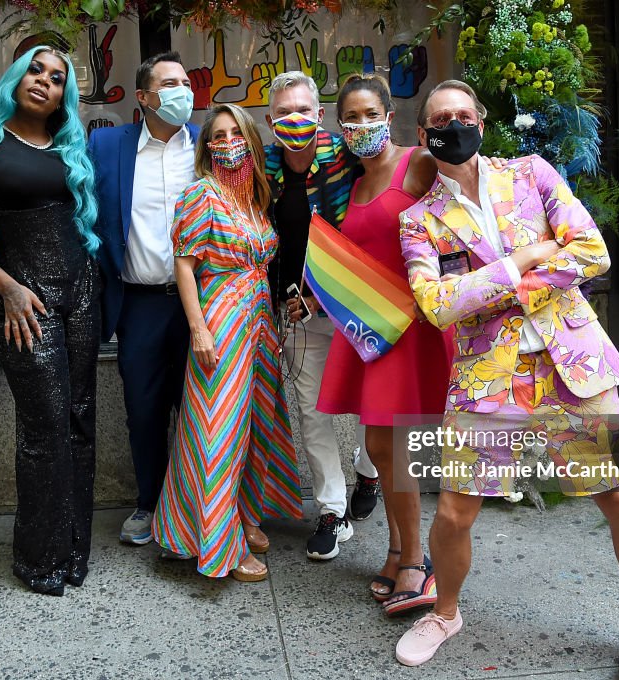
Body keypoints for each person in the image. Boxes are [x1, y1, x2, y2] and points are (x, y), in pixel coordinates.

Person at [393, 80, 619, 680]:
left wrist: (501, 290)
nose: (454, 125)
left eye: (463, 114)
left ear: (481, 119)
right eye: (441, 119)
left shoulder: (531, 174)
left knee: (618, 497)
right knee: (453, 510)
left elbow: (592, 251)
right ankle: (445, 613)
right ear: (424, 134)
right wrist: (521, 260)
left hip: (569, 365)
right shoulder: (418, 222)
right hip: (486, 379)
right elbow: (436, 305)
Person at [0, 46, 100, 596]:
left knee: (77, 418)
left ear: (63, 96)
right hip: (21, 302)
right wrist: (5, 286)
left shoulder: (69, 148)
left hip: (80, 293)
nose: (44, 82)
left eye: (57, 79)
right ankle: (39, 558)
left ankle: (74, 549)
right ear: (15, 77)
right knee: (45, 425)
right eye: (36, 70)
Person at [314, 74, 451, 614]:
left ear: (389, 116)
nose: (362, 125)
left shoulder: (416, 162)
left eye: (371, 114)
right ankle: (398, 551)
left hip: (410, 327)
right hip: (370, 328)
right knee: (376, 448)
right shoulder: (351, 181)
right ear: (341, 127)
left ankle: (418, 561)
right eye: (352, 117)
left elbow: (459, 214)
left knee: (396, 451)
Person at [151, 103, 302, 581]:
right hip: (221, 321)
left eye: (235, 133)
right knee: (217, 429)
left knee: (255, 422)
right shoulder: (202, 195)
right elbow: (183, 265)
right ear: (207, 147)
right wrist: (198, 329)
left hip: (259, 320)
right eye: (217, 135)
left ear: (251, 141)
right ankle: (219, 543)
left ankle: (240, 513)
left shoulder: (255, 199)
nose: (227, 141)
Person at [264, 70, 380, 561]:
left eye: (303, 110)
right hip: (296, 309)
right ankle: (332, 510)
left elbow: (364, 230)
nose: (295, 118)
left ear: (319, 114)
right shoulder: (262, 168)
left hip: (355, 301)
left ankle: (370, 472)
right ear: (270, 120)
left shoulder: (348, 158)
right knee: (312, 412)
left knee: (374, 404)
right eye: (284, 111)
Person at [87, 53, 198, 546]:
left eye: (186, 83)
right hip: (141, 303)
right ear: (145, 97)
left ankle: (205, 507)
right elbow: (85, 216)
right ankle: (149, 502)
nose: (182, 92)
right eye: (169, 84)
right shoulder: (107, 145)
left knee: (205, 408)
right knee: (145, 408)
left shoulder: (211, 146)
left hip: (206, 304)